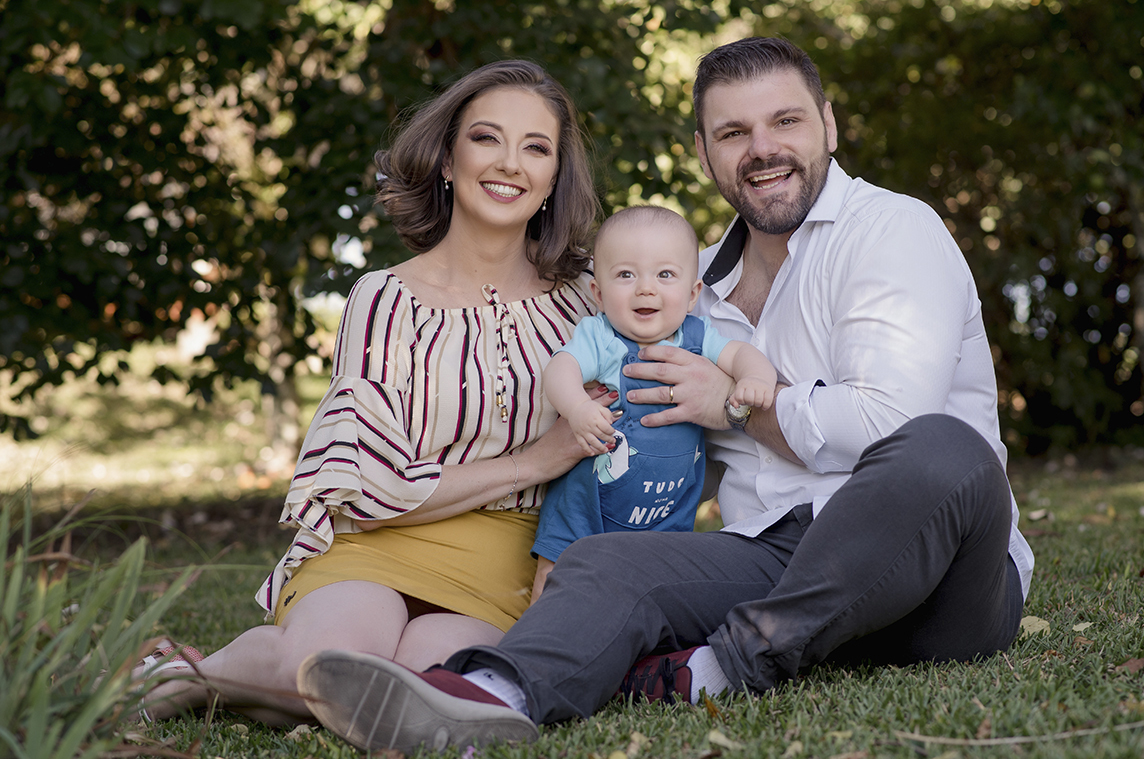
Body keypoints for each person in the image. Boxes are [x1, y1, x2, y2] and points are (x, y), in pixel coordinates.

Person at [294, 37, 1036, 754]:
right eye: (734, 132)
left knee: (946, 450)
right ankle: (489, 699)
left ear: (829, 125)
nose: (763, 149)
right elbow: (663, 449)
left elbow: (886, 424)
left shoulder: (892, 230)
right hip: (775, 555)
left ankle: (719, 667)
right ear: (703, 152)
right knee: (611, 560)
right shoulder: (689, 287)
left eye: (786, 121)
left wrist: (736, 404)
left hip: (940, 580)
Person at [136, 59, 607, 724]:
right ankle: (190, 677)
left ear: (555, 176)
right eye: (486, 139)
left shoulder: (588, 300)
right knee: (319, 670)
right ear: (447, 159)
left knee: (417, 690)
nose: (510, 164)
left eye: (536, 148)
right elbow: (366, 483)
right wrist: (535, 461)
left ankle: (224, 678)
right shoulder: (385, 300)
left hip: (504, 560)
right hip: (377, 541)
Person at [531, 205, 776, 600]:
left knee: (657, 586)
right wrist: (577, 407)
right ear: (598, 292)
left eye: (665, 275)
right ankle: (536, 639)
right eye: (626, 275)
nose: (646, 288)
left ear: (693, 293)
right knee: (558, 571)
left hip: (668, 507)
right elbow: (561, 368)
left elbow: (740, 354)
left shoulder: (698, 336)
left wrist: (756, 379)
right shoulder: (602, 337)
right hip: (588, 506)